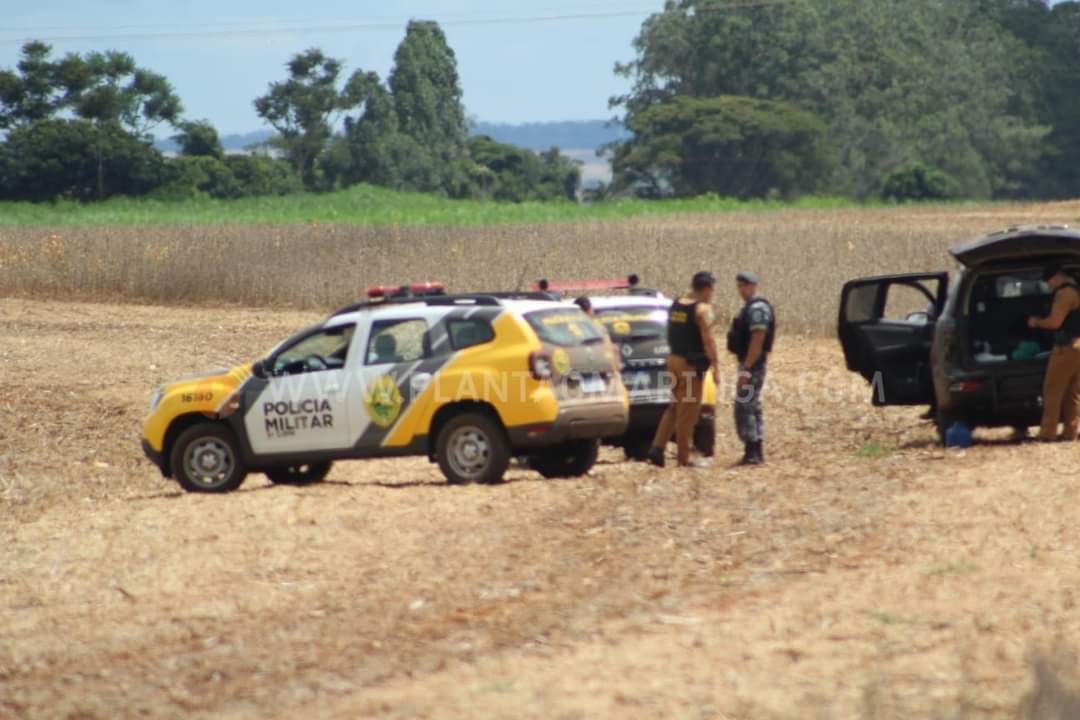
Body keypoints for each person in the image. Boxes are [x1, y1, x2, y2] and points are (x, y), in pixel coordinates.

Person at [647, 271, 719, 468]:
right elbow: (708, 341)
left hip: (673, 361)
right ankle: (683, 458)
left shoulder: (676, 304)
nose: (712, 293)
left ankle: (657, 448)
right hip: (690, 365)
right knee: (688, 411)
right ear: (706, 289)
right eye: (712, 289)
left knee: (674, 406)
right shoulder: (702, 310)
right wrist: (716, 366)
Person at [727, 271, 776, 465]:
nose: (741, 289)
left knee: (744, 406)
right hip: (749, 362)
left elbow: (758, 338)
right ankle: (754, 450)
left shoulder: (757, 309)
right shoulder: (749, 308)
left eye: (745, 285)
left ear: (753, 286)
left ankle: (753, 452)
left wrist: (747, 368)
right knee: (751, 405)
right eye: (739, 285)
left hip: (753, 364)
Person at [1028, 264, 1080, 441]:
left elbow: (1055, 323)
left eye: (1048, 281)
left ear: (1057, 276)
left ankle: (1047, 434)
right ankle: (1070, 432)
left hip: (1066, 349)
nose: (1048, 285)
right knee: (1073, 393)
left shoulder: (1064, 293)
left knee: (1053, 391)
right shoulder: (1077, 289)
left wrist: (1036, 322)